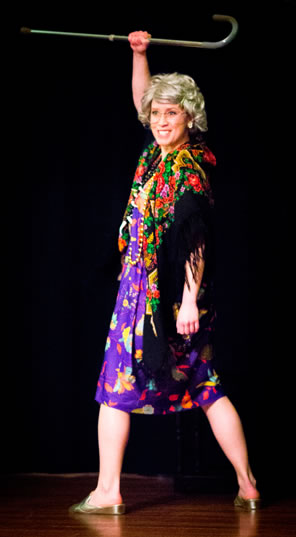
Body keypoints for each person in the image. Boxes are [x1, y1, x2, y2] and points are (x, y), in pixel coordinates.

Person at [70, 31, 260, 515]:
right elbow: (143, 99)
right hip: (147, 291)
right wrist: (140, 56)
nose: (159, 121)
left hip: (165, 299)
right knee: (206, 386)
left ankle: (110, 491)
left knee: (115, 389)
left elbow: (196, 239)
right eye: (156, 115)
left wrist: (191, 301)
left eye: (170, 114)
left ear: (189, 118)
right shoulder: (159, 155)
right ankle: (248, 485)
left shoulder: (186, 169)